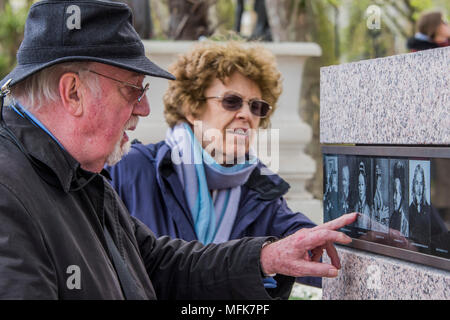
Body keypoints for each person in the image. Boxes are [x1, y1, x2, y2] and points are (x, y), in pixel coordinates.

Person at [0, 0, 356, 299]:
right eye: (133, 90)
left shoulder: (81, 176)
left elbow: (157, 264)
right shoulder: (11, 190)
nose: (144, 108)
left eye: (258, 107)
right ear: (73, 92)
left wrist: (267, 257)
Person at [107, 41, 321, 287]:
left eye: (256, 106)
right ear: (191, 108)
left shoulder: (262, 190)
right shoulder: (129, 168)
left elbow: (310, 249)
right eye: (232, 101)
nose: (246, 114)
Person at [408, 163, 431, 246]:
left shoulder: (429, 209)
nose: (419, 188)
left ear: (424, 186)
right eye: (417, 183)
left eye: (421, 183)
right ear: (413, 185)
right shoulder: (409, 210)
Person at [389, 162, 409, 238]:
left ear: (402, 194)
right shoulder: (391, 219)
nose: (394, 197)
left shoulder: (405, 224)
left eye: (397, 193)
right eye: (393, 192)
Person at [353, 161, 371, 230]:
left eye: (362, 185)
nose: (360, 188)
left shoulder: (368, 209)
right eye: (359, 185)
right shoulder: (356, 206)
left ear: (365, 186)